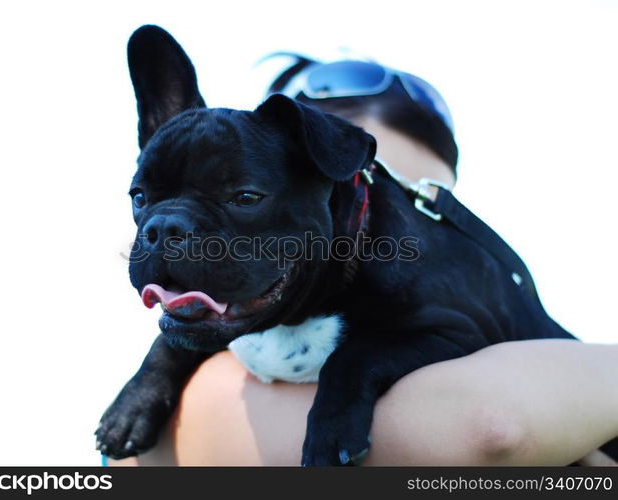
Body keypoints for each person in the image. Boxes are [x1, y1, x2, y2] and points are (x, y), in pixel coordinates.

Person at [107, 57, 618, 466]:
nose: (385, 202)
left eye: (430, 200)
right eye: (144, 200)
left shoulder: (417, 277)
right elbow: (491, 427)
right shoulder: (201, 392)